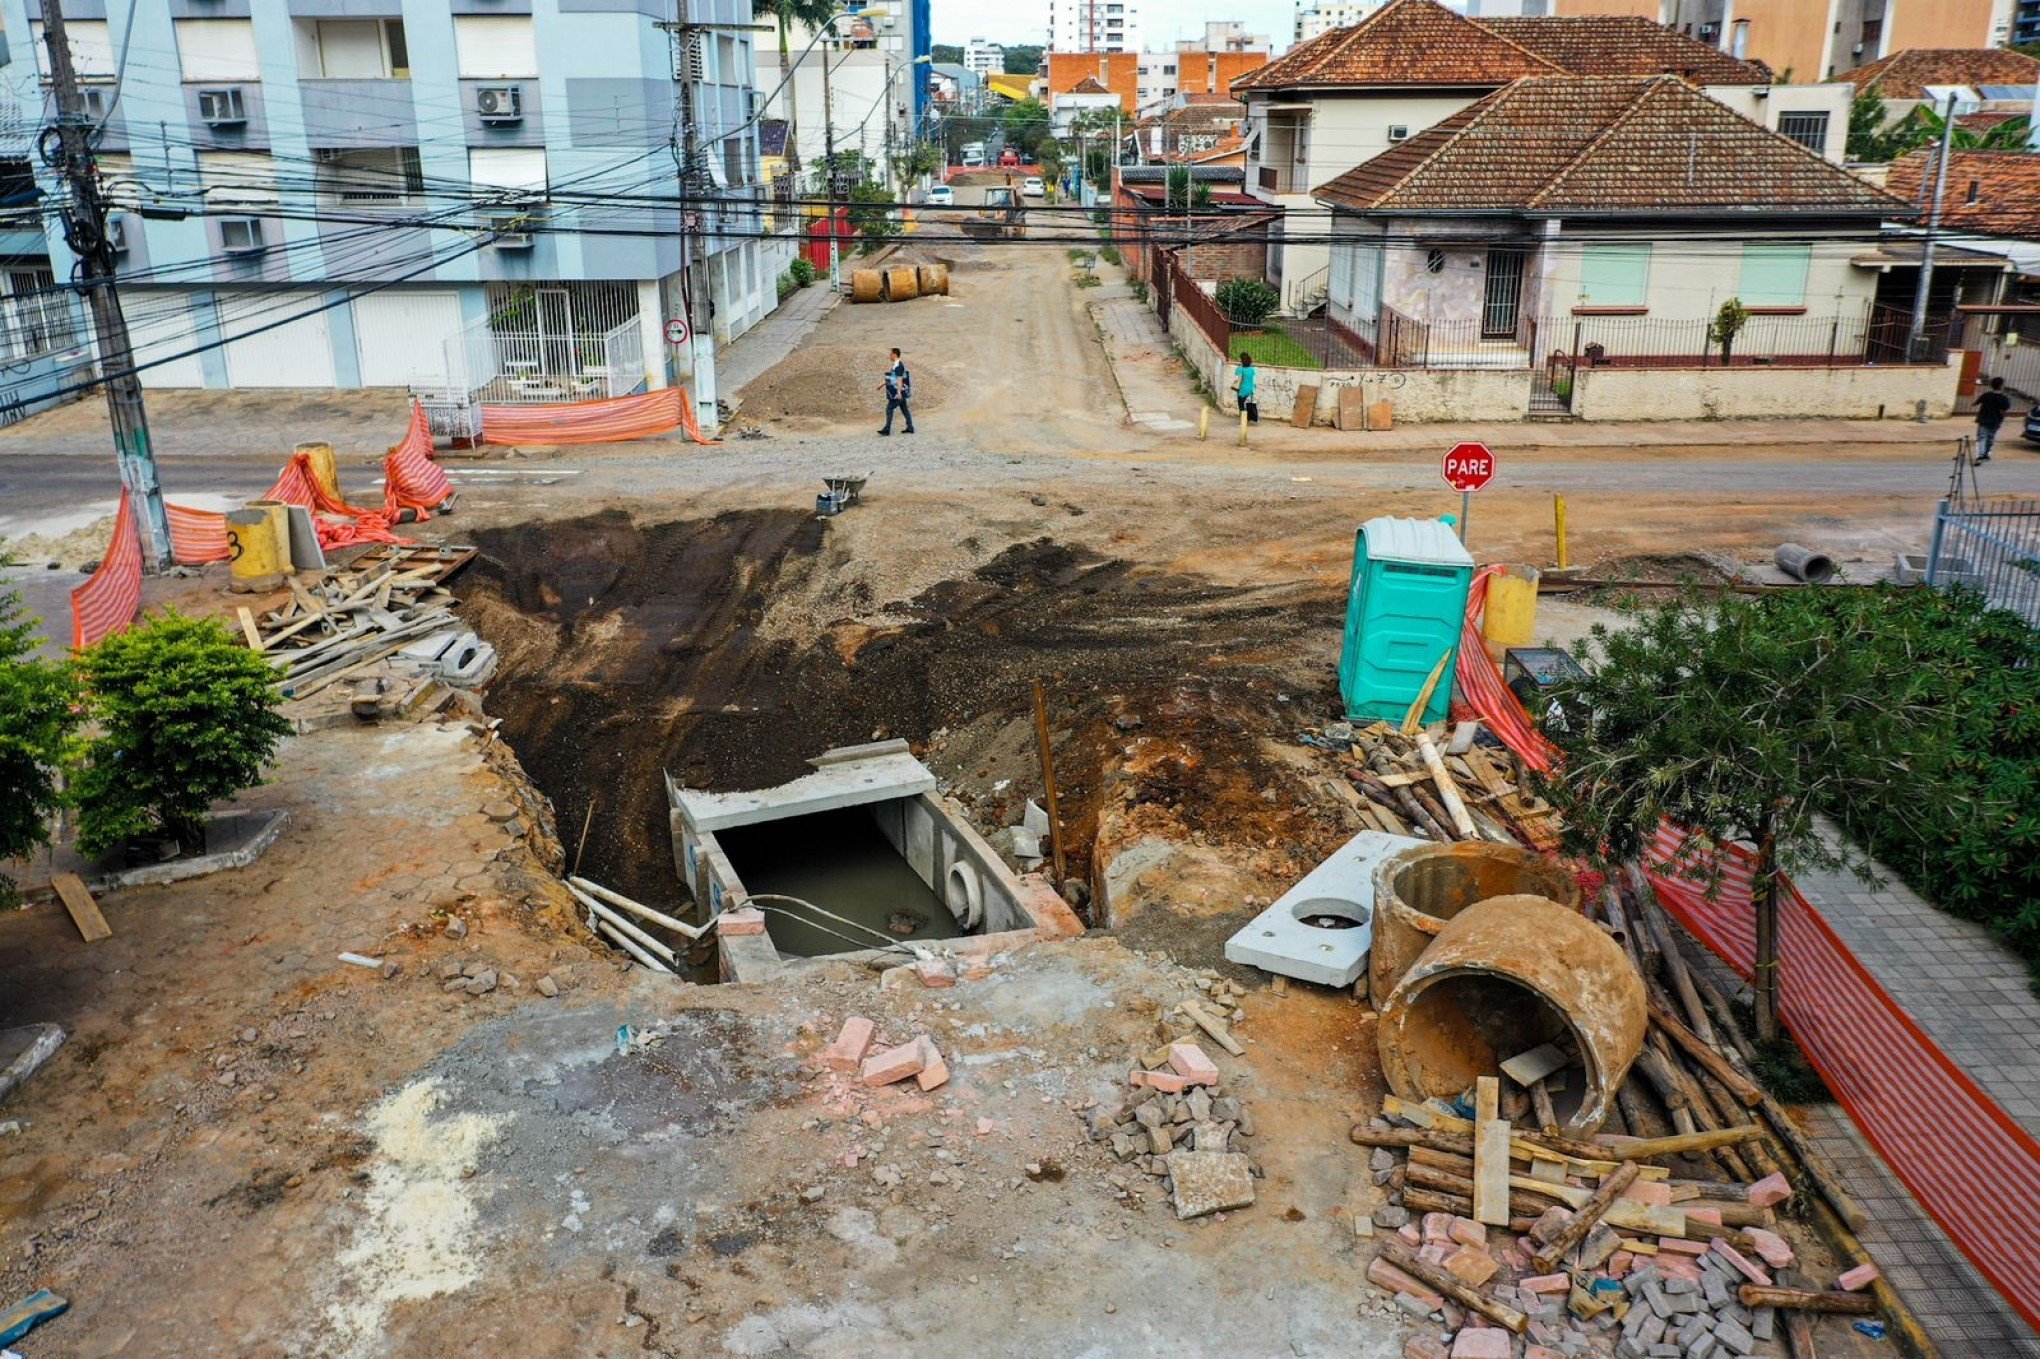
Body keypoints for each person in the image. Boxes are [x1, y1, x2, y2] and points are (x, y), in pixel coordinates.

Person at [878, 347, 915, 435]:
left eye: (890, 354)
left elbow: (899, 379)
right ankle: (910, 428)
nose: (889, 356)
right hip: (900, 392)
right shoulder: (896, 364)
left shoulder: (898, 366)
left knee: (889, 409)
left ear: (894, 354)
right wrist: (882, 384)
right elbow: (892, 378)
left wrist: (898, 392)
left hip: (898, 392)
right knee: (904, 409)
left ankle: (886, 430)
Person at [1974, 375, 2010, 462]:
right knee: (1990, 438)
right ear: (2001, 386)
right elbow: (2004, 410)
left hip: (1983, 420)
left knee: (1982, 437)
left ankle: (1982, 455)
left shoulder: (1986, 395)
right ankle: (1985, 454)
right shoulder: (2004, 398)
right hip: (1995, 421)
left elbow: (1975, 403)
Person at [1233, 352, 1258, 424]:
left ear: (1241, 360)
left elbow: (1236, 379)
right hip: (1250, 390)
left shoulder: (1240, 369)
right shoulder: (1252, 369)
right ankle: (1248, 419)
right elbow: (1254, 380)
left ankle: (1242, 421)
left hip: (1242, 391)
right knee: (1248, 405)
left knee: (1241, 406)